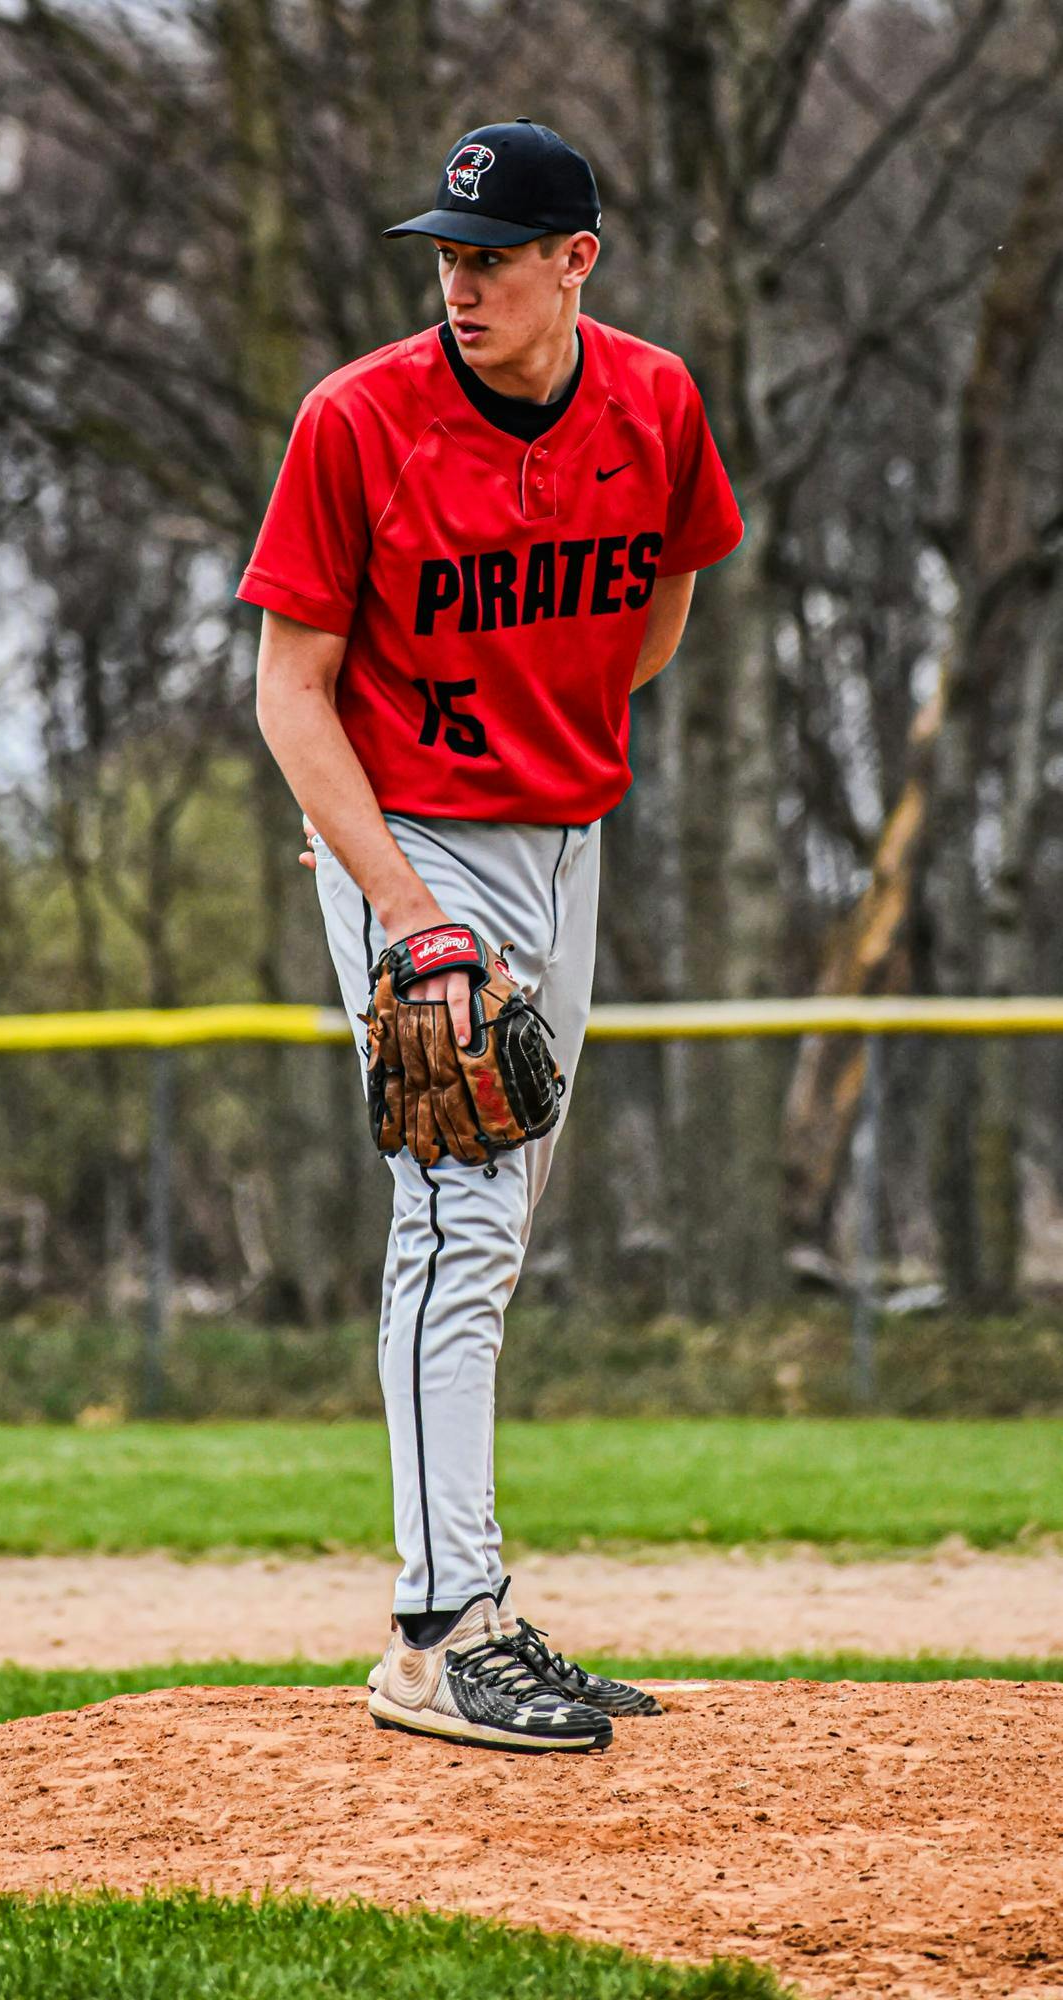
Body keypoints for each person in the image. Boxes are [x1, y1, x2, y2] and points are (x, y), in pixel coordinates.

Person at [239, 118, 744, 1754]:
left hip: (562, 835)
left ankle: (475, 1609)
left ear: (573, 261)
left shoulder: (654, 402)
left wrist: (546, 753)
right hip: (406, 841)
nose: (460, 283)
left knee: (500, 1214)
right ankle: (439, 1626)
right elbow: (288, 694)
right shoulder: (357, 421)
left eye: (493, 256)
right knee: (456, 1220)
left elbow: (657, 613)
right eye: (445, 256)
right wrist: (407, 911)